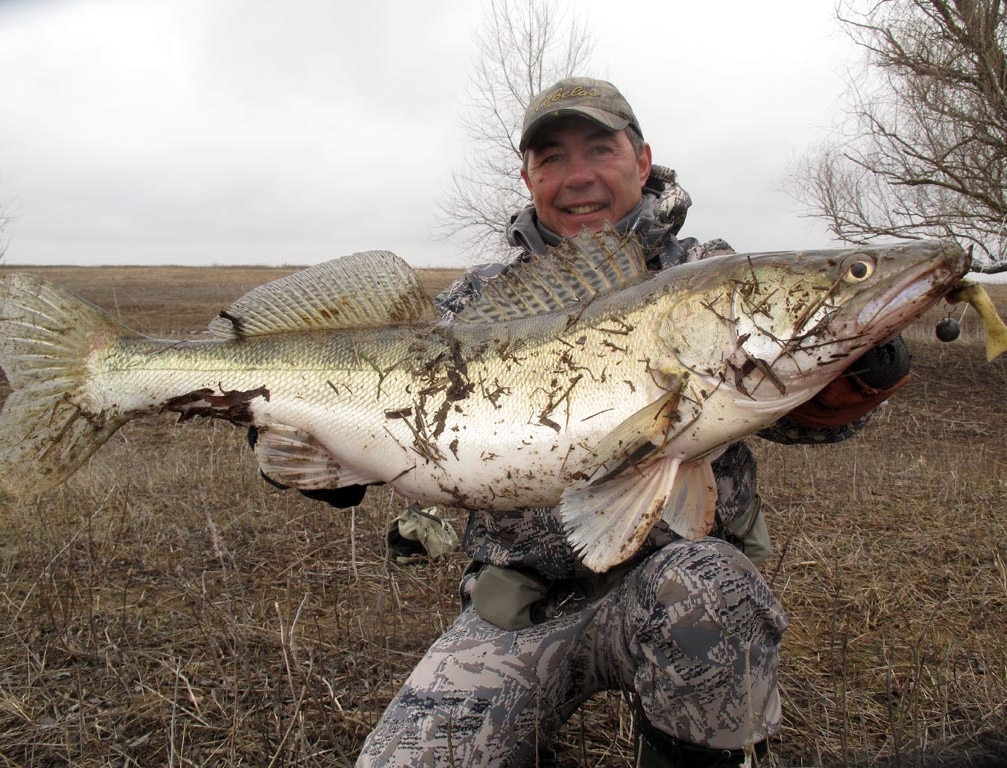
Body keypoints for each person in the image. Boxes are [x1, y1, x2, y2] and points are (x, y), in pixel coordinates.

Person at [313, 78, 910, 767]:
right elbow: (399, 421)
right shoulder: (476, 302)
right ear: (528, 177)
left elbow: (811, 422)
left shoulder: (710, 275)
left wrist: (859, 368)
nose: (578, 179)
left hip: (679, 590)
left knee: (707, 590)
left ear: (643, 159)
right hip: (519, 607)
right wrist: (328, 455)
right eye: (552, 160)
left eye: (600, 149)